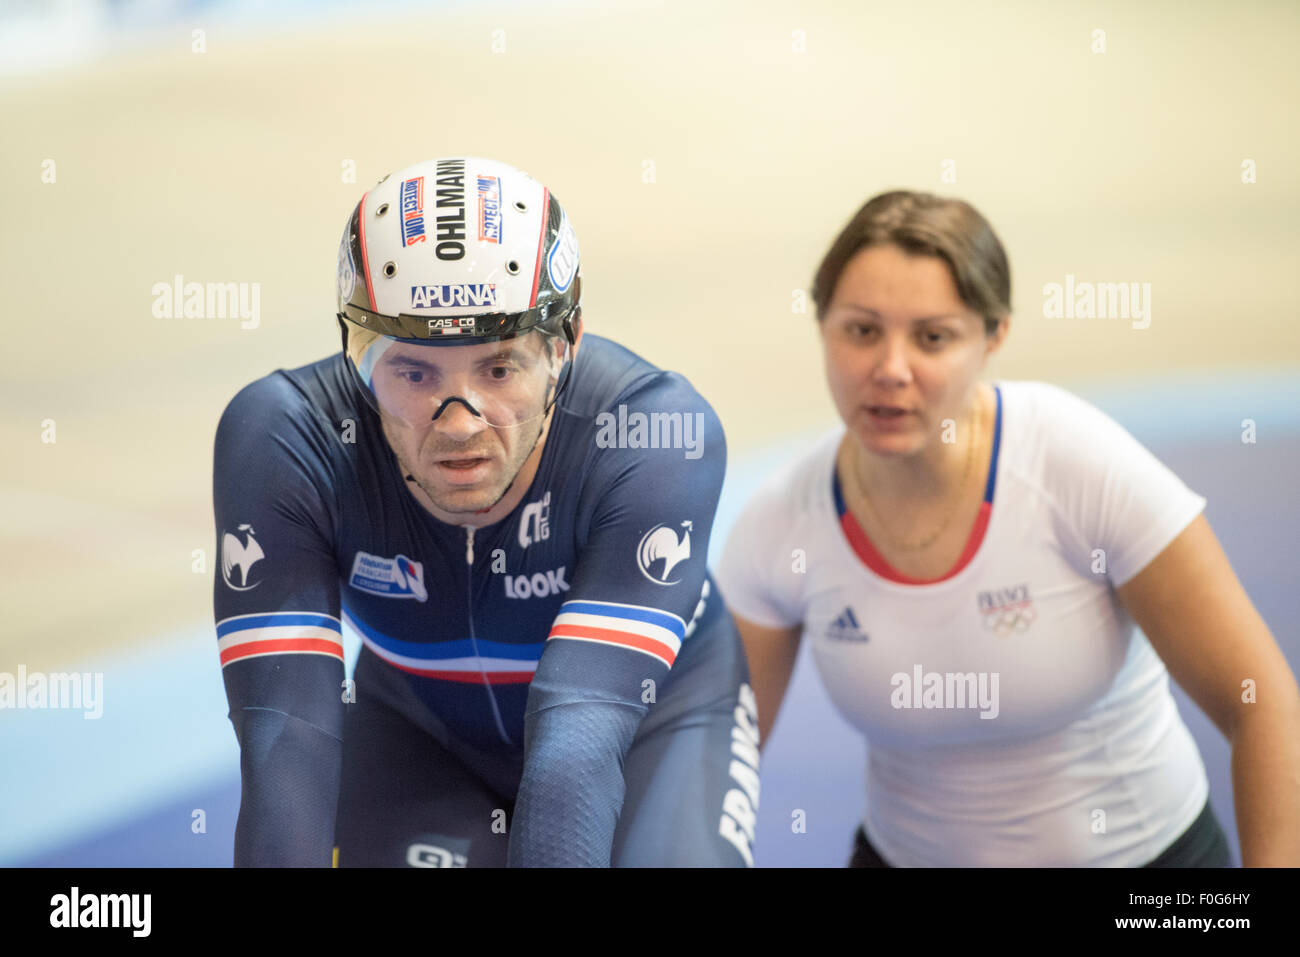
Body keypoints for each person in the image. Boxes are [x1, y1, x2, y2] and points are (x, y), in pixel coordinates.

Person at [715, 190, 1300, 867]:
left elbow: (1260, 701)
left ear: (993, 337)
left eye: (933, 337)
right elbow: (710, 757)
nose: (891, 369)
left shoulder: (1076, 465)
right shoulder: (782, 520)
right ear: (823, 326)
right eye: (862, 331)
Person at [212, 157, 758, 867]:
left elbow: (580, 741)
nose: (460, 421)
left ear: (565, 349)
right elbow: (285, 740)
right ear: (356, 357)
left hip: (651, 722)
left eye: (498, 369)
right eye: (414, 372)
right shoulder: (287, 438)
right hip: (420, 731)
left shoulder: (652, 432)